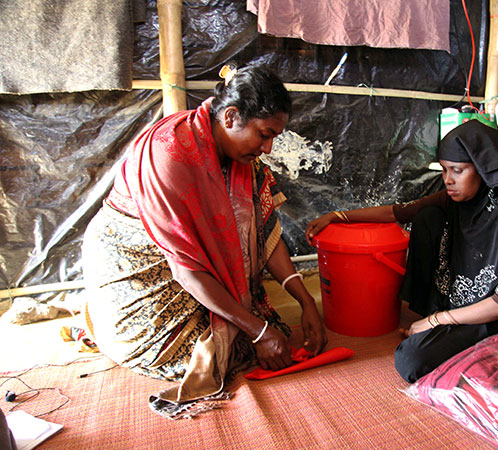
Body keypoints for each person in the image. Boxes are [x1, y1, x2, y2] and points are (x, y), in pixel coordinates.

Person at [82, 65, 326, 416]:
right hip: (139, 266)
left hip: (190, 269)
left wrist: (306, 301)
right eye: (263, 134)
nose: (268, 148)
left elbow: (265, 234)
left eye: (274, 137)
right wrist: (258, 332)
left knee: (258, 335)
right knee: (214, 356)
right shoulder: (170, 155)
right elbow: (185, 268)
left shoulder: (248, 164)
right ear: (230, 117)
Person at [305, 120, 498, 383]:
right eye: (444, 170)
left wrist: (437, 321)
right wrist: (338, 216)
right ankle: (441, 326)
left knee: (410, 359)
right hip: (467, 304)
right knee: (428, 217)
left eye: (457, 171)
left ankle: (489, 348)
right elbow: (398, 211)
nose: (448, 180)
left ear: (482, 170)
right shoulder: (458, 199)